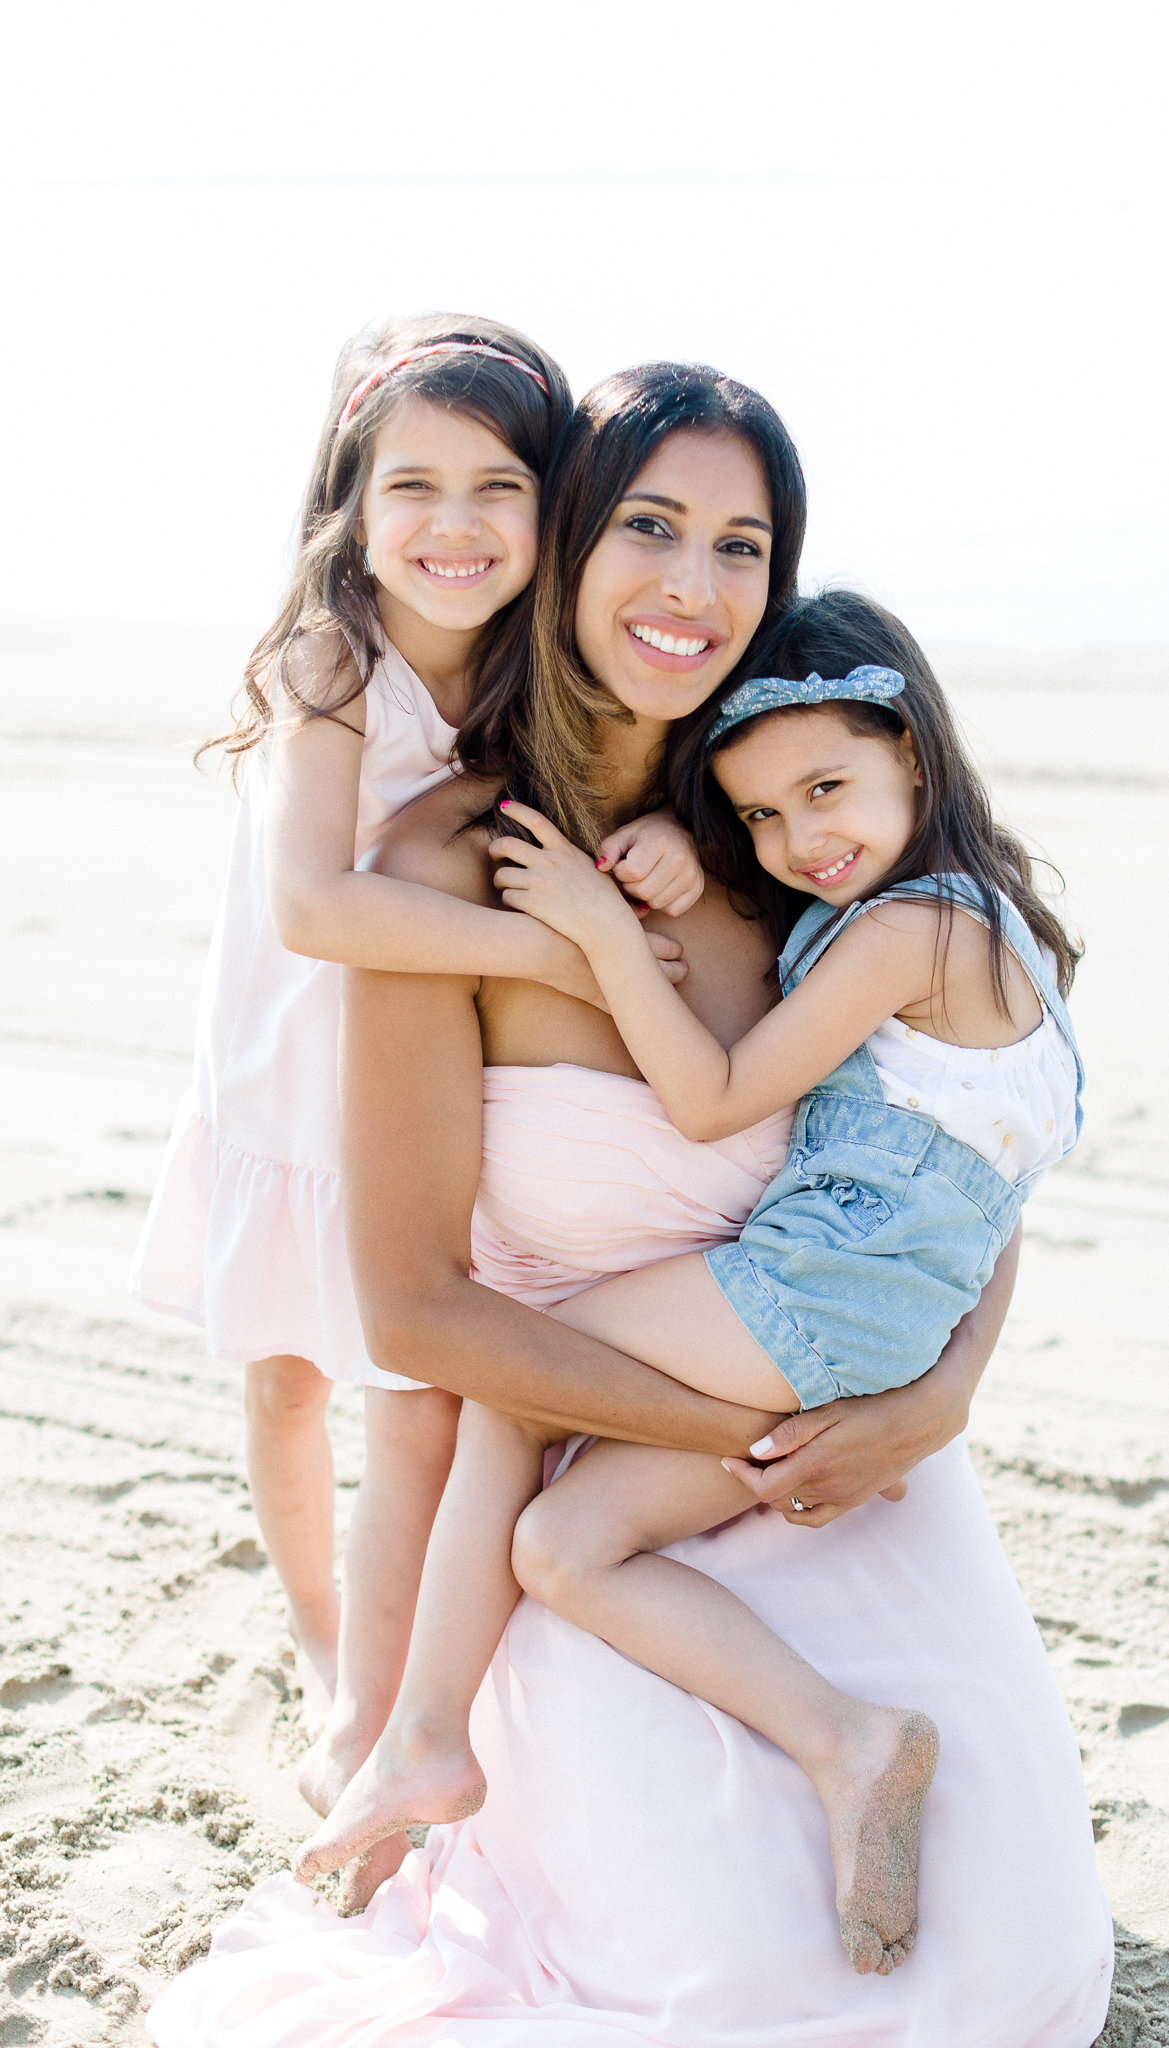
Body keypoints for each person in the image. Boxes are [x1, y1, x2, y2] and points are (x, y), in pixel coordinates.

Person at [146, 365, 1113, 2048]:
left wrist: (939, 1395)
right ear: (574, 540)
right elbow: (414, 1322)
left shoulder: (788, 840)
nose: (692, 585)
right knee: (728, 1990)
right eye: (651, 526)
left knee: (1016, 1969)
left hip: (860, 1460)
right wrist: (751, 1429)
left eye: (741, 545)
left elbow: (961, 1142)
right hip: (598, 1473)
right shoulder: (446, 871)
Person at [296, 590, 1084, 1977]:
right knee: (562, 1546)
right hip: (877, 1329)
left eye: (825, 791)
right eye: (766, 818)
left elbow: (714, 1098)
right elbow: (986, 1179)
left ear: (915, 752)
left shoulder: (895, 932)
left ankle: (423, 1741)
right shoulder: (998, 929)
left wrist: (598, 936)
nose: (799, 841)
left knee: (507, 1389)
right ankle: (850, 1740)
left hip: (804, 1309)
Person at [129, 315, 701, 1728]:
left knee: (420, 1395)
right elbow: (315, 908)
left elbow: (614, 792)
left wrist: (665, 849)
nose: (457, 525)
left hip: (429, 1091)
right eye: (413, 487)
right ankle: (324, 1642)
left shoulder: (535, 660)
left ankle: (401, 1672)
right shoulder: (333, 665)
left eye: (498, 488)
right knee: (284, 1381)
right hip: (288, 1072)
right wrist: (560, 957)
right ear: (351, 505)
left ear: (548, 508)